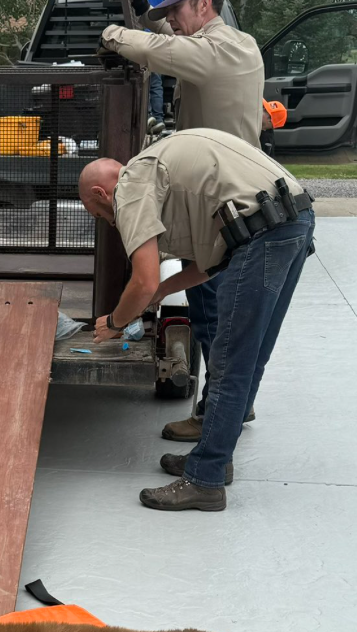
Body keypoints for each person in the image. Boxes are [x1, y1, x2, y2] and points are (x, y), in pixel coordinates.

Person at [78, 131, 315, 513]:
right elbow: (208, 265)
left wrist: (116, 321)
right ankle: (215, 460)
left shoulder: (132, 183)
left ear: (100, 194)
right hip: (292, 220)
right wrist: (158, 294)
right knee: (249, 358)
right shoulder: (168, 174)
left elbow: (143, 278)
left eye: (100, 216)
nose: (109, 223)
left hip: (264, 234)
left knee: (230, 363)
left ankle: (204, 481)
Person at [100, 0, 266, 444]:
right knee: (214, 306)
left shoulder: (222, 49)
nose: (171, 20)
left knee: (215, 313)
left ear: (204, 4)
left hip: (225, 204)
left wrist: (113, 33)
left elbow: (162, 49)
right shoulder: (231, 44)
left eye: (176, 10)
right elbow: (170, 37)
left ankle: (219, 410)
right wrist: (150, 13)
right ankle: (234, 401)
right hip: (224, 194)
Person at [139, 0, 167, 127]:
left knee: (143, 81)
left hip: (143, 39)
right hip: (162, 38)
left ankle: (146, 116)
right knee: (157, 82)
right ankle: (159, 118)